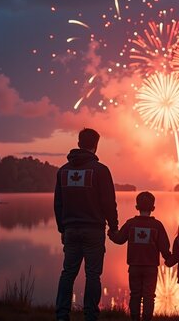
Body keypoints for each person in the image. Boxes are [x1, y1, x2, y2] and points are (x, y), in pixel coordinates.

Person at [54, 128, 119, 321]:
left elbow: (58, 203)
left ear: (79, 142)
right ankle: (90, 316)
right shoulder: (100, 170)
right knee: (93, 275)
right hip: (93, 230)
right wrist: (114, 227)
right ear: (95, 145)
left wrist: (62, 228)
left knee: (68, 273)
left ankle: (61, 315)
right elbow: (108, 202)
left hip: (71, 229)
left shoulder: (63, 171)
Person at [109, 191, 171, 321]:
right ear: (153, 208)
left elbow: (119, 239)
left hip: (134, 266)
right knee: (149, 296)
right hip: (151, 268)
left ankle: (135, 318)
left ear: (136, 207)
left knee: (135, 294)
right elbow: (164, 246)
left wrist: (111, 233)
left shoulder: (131, 223)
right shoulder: (157, 226)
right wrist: (169, 258)